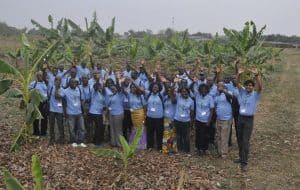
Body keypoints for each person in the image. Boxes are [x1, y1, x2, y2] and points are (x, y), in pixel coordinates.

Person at [235, 66, 262, 172]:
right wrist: (239, 74)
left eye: (251, 86)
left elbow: (260, 87)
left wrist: (256, 75)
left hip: (249, 120)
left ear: (253, 87)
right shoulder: (242, 92)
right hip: (240, 118)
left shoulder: (255, 95)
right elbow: (237, 83)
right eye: (247, 85)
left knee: (245, 140)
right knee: (240, 139)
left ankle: (244, 162)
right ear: (245, 86)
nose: (249, 87)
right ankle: (241, 157)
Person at [61, 78, 87, 147]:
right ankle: (73, 141)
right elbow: (60, 97)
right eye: (72, 83)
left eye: (75, 83)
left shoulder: (78, 89)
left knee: (82, 128)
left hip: (79, 112)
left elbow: (81, 100)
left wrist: (84, 111)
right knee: (71, 129)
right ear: (69, 83)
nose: (74, 84)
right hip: (70, 113)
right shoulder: (65, 91)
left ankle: (81, 141)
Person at [194, 84, 214, 155]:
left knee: (205, 135)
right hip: (198, 119)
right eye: (201, 89)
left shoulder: (210, 98)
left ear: (207, 90)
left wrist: (209, 121)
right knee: (198, 134)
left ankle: (204, 149)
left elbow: (212, 110)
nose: (203, 90)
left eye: (205, 89)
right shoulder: (197, 96)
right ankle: (198, 148)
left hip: (206, 120)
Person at [214, 81, 233, 158]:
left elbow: (231, 98)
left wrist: (224, 91)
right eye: (218, 86)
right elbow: (215, 106)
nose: (220, 87)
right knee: (219, 136)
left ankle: (224, 152)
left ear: (224, 87)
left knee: (224, 136)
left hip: (226, 119)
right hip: (218, 119)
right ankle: (219, 151)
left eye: (221, 86)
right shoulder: (217, 96)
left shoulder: (229, 93)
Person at [173, 87, 194, 153]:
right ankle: (179, 149)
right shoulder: (178, 97)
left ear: (188, 92)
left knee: (186, 136)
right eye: (182, 91)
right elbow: (171, 93)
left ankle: (186, 150)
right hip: (177, 119)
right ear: (180, 92)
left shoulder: (191, 101)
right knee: (178, 135)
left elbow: (192, 113)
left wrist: (191, 122)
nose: (184, 93)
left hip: (186, 121)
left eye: (185, 91)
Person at [145, 82, 164, 151]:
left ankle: (159, 147)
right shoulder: (148, 94)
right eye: (154, 87)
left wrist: (163, 81)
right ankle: (150, 146)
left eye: (156, 87)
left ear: (159, 88)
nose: (155, 88)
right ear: (151, 88)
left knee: (159, 133)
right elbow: (140, 89)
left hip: (159, 118)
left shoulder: (161, 94)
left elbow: (168, 89)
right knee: (150, 132)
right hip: (149, 117)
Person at [29, 71, 49, 136]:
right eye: (38, 75)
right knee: (36, 118)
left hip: (44, 103)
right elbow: (29, 92)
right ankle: (36, 132)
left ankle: (43, 132)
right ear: (36, 76)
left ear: (43, 76)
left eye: (41, 75)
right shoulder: (33, 84)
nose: (39, 76)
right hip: (36, 103)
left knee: (44, 118)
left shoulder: (46, 83)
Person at [48, 76, 64, 144]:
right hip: (52, 110)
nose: (58, 82)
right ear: (54, 81)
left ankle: (61, 138)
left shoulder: (63, 90)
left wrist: (57, 88)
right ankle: (52, 138)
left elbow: (56, 96)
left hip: (59, 110)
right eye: (57, 80)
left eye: (59, 80)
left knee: (60, 125)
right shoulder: (51, 88)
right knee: (51, 125)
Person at [162, 86, 177, 154]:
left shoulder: (174, 98)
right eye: (167, 91)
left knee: (172, 135)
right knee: (166, 135)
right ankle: (166, 150)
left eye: (170, 91)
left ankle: (172, 149)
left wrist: (171, 93)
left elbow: (174, 102)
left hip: (172, 119)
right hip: (166, 119)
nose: (168, 92)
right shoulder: (165, 98)